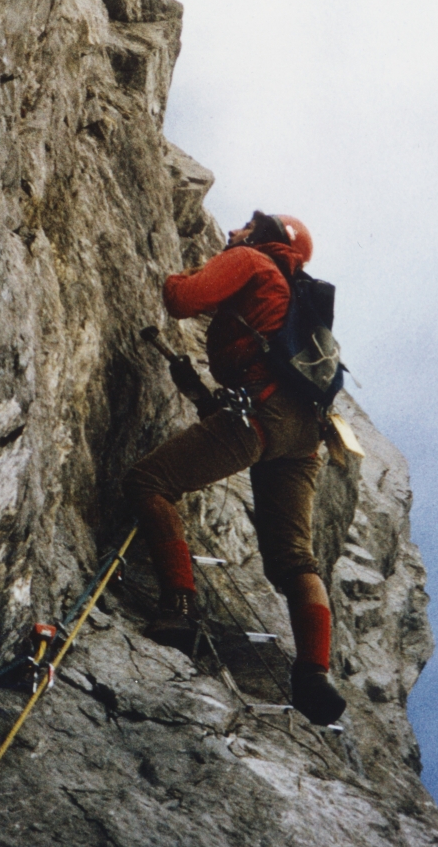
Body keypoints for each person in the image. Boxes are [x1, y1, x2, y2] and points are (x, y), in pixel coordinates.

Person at [123, 211, 348, 727]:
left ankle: (179, 606)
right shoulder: (294, 297)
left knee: (149, 483)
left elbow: (180, 299)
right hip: (304, 434)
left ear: (266, 238)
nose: (236, 229)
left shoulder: (250, 261)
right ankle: (314, 673)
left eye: (249, 224)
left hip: (263, 414)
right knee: (294, 559)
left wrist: (159, 261)